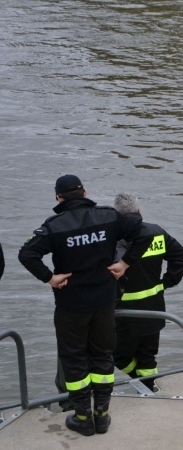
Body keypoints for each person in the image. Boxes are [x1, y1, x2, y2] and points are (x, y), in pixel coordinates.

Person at [18, 175, 150, 437]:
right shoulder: (109, 216)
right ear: (85, 192)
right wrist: (125, 263)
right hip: (104, 302)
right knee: (103, 355)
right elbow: (143, 233)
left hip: (71, 305)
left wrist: (49, 278)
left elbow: (27, 254)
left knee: (74, 358)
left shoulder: (54, 226)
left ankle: (82, 418)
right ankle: (102, 416)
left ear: (58, 197)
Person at [112, 193, 183, 392]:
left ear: (116, 215)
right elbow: (181, 257)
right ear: (138, 210)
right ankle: (150, 389)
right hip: (154, 308)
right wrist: (167, 282)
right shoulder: (156, 232)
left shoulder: (115, 239)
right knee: (147, 357)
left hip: (125, 312)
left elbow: (115, 270)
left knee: (117, 356)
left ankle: (145, 386)